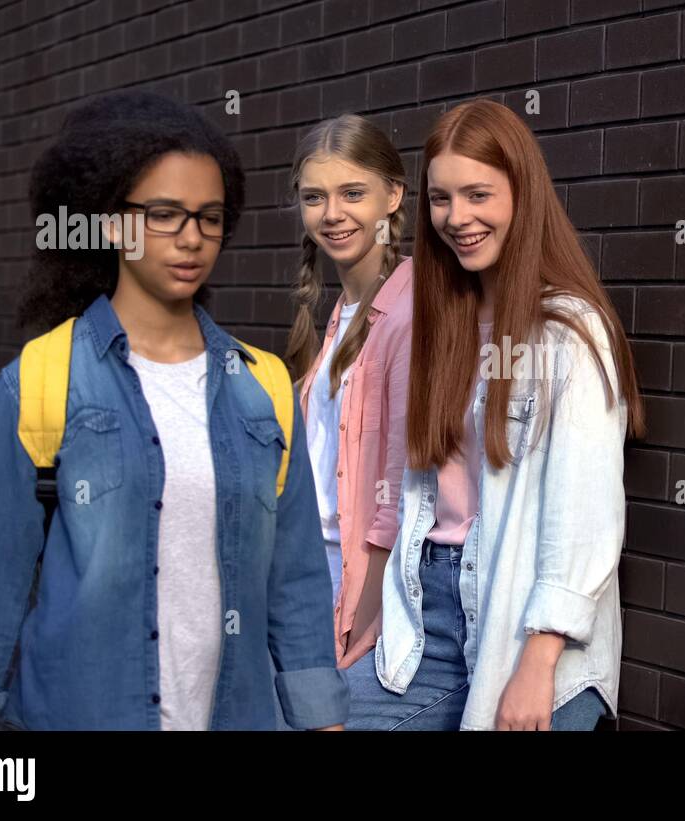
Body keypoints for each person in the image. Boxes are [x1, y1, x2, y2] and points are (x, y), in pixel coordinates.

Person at [0, 91, 347, 731]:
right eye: (164, 214)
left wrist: (323, 717)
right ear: (110, 221)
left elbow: (295, 584)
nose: (192, 238)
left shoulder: (262, 387)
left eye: (210, 218)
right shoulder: (41, 380)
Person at [344, 99, 645, 731]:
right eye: (441, 199)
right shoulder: (442, 323)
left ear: (522, 195)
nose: (458, 218)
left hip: (527, 627)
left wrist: (537, 662)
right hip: (425, 621)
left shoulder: (567, 331)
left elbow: (587, 515)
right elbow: (416, 494)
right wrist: (382, 614)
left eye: (478, 194)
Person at [285, 114, 413, 670]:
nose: (332, 214)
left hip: (352, 586)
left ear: (393, 196)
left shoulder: (412, 310)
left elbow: (401, 491)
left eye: (352, 193)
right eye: (315, 197)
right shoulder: (337, 316)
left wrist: (360, 627)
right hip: (303, 576)